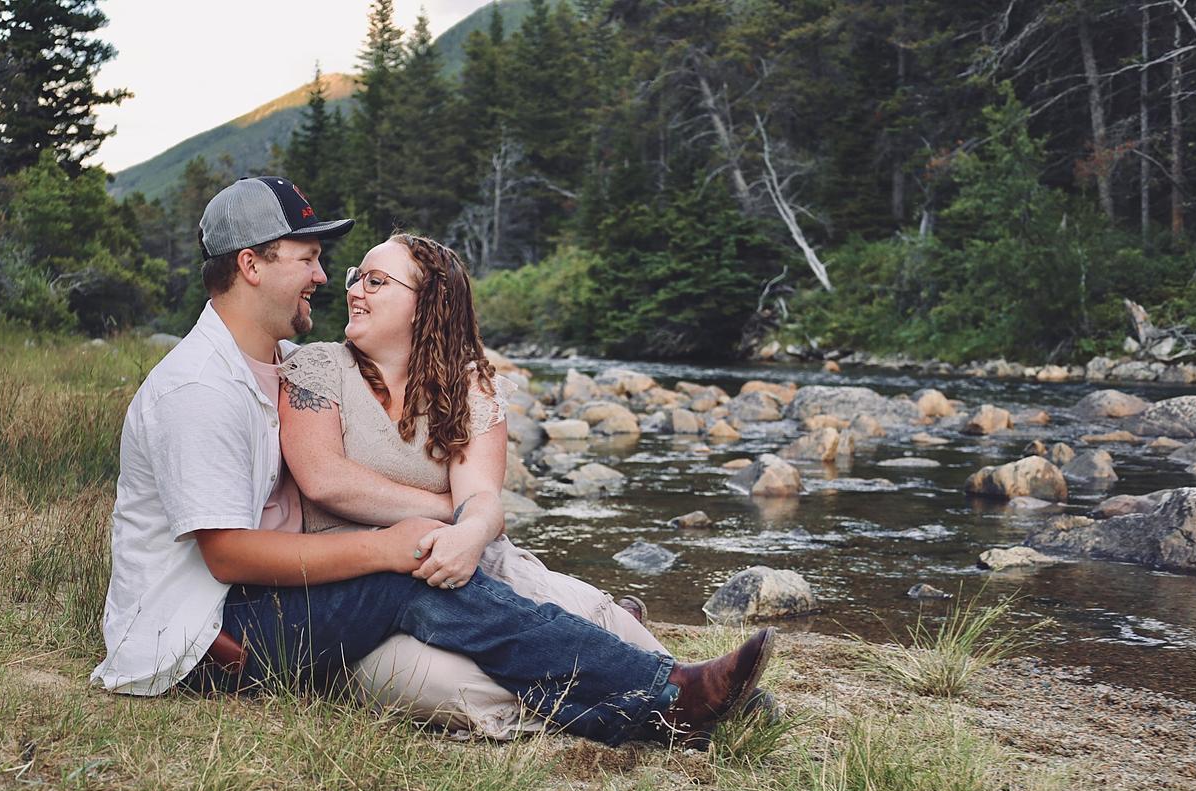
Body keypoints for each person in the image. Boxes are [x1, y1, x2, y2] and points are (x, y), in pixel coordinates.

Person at [90, 175, 772, 747]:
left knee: (437, 581)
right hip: (207, 638)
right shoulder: (200, 389)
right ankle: (663, 695)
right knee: (409, 580)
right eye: (309, 259)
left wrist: (451, 525)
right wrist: (392, 544)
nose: (326, 278)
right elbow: (227, 555)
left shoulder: (281, 364)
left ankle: (654, 689)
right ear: (251, 264)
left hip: (265, 605)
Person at [278, 233, 672, 738]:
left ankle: (685, 692)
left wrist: (470, 533)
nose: (353, 289)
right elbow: (326, 480)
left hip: (465, 563)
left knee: (594, 615)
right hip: (360, 587)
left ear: (427, 304)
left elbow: (482, 498)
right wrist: (450, 510)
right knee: (453, 685)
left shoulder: (469, 385)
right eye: (357, 278)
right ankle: (636, 709)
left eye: (375, 281)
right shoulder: (317, 368)